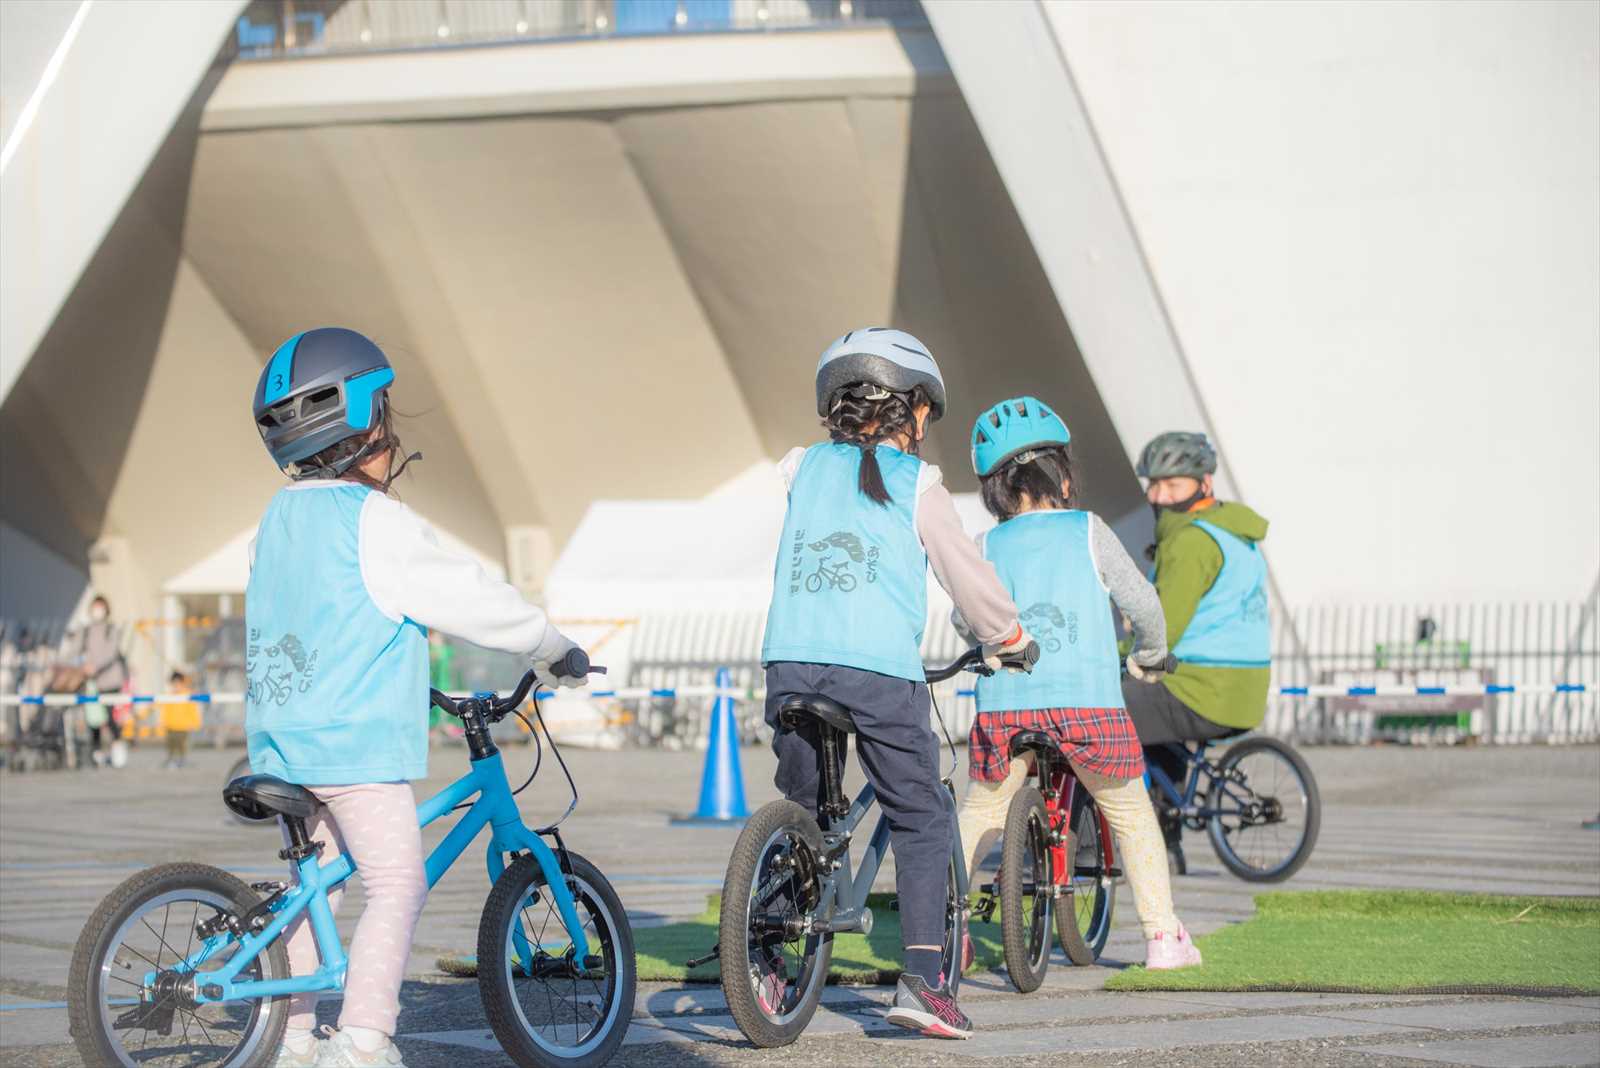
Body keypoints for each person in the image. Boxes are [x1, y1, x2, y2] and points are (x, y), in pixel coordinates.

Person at [247, 327, 589, 1067]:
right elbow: (470, 597)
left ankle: (294, 1036)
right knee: (396, 880)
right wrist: (550, 646)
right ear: (364, 419)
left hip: (282, 739)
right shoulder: (374, 521)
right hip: (352, 745)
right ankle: (365, 1039)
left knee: (319, 890)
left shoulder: (275, 520)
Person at [761, 328, 1033, 1039]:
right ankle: (921, 983)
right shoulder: (921, 485)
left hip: (788, 662)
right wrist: (1010, 637)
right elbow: (967, 580)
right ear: (912, 409)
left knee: (804, 812)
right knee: (921, 818)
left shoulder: (799, 469)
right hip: (877, 673)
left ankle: (766, 956)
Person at [953, 397, 1203, 970]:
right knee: (1132, 813)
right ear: (1063, 476)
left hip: (1005, 712)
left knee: (981, 813)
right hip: (1088, 708)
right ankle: (1163, 938)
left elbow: (965, 617)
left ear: (994, 492)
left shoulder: (987, 545)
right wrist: (1151, 653)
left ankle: (948, 928)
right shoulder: (1087, 529)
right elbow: (1143, 603)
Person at [1124, 431, 1271, 865]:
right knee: (1154, 720)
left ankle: (1097, 845)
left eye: (1173, 485)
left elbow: (1163, 625)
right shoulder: (1237, 534)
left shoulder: (1190, 541)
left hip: (1203, 686)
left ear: (1204, 483)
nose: (1159, 495)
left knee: (1104, 711)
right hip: (1245, 687)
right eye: (1154, 484)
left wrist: (1112, 649)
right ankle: (1167, 839)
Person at [159, 670, 201, 768]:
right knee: (170, 745)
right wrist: (163, 722)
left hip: (183, 726)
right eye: (174, 683)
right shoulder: (170, 696)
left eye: (178, 683)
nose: (176, 686)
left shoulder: (187, 695)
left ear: (183, 683)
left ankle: (182, 760)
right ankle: (171, 759)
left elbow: (192, 710)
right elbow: (165, 710)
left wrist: (195, 722)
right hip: (171, 726)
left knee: (182, 745)